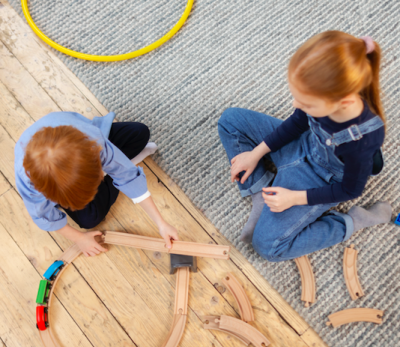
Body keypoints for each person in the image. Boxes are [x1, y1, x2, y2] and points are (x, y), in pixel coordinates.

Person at [218, 31, 392, 262]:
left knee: (268, 247)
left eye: (305, 102)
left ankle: (354, 221)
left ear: (343, 102)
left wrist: (293, 198)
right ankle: (262, 194)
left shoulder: (361, 141)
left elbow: (350, 190)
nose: (295, 104)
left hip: (321, 179)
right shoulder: (323, 96)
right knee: (230, 120)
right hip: (302, 146)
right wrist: (256, 153)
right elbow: (298, 123)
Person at [15, 111, 179, 257]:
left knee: (140, 133)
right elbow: (43, 215)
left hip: (88, 144)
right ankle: (116, 167)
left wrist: (161, 223)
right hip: (77, 162)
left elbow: (127, 175)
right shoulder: (29, 184)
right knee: (89, 220)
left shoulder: (93, 142)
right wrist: (79, 238)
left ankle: (114, 169)